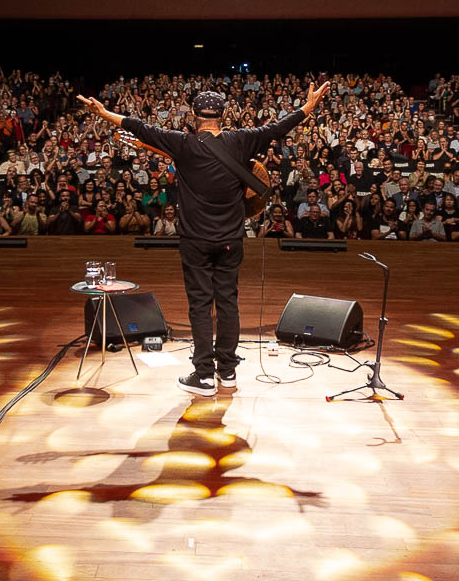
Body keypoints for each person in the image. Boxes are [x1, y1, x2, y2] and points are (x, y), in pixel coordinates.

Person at [79, 80, 331, 396]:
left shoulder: (181, 143)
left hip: (195, 241)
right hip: (231, 239)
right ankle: (227, 373)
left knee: (200, 305)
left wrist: (103, 112)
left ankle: (204, 376)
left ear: (194, 116)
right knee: (228, 303)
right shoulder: (241, 141)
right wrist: (307, 107)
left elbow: (138, 127)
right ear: (222, 115)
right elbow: (278, 128)